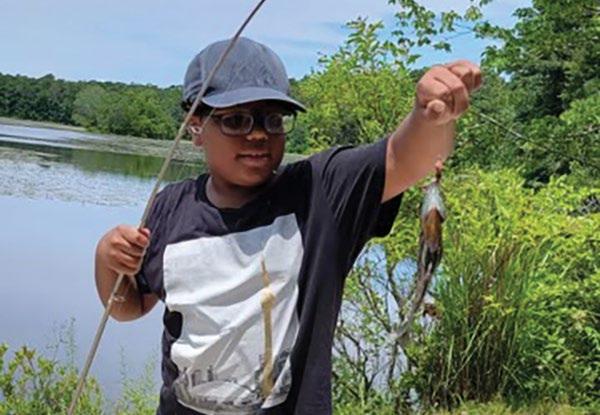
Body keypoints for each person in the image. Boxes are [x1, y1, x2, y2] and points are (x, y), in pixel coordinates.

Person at [95, 37, 481, 414]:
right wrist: (107, 259)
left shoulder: (319, 192)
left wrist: (430, 116)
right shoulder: (169, 207)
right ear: (196, 126)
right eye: (236, 120)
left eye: (273, 119)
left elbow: (405, 158)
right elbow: (129, 306)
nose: (258, 133)